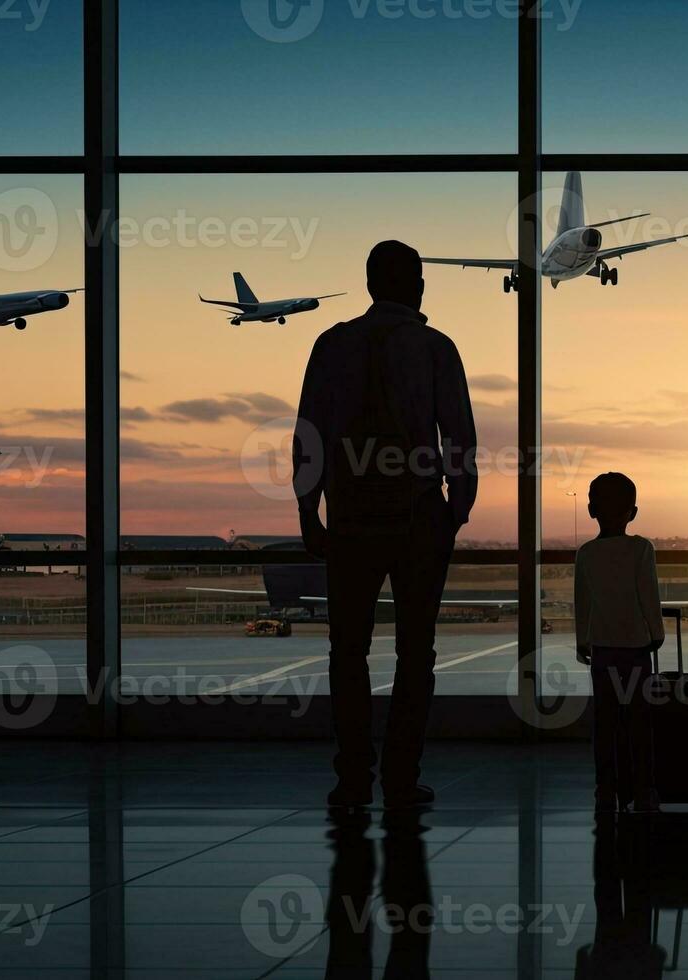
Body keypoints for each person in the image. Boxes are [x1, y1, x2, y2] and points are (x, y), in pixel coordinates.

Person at [293, 240, 477, 810]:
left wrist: (308, 509)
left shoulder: (330, 345)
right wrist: (456, 510)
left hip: (349, 517)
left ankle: (352, 777)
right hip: (418, 515)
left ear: (370, 283)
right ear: (418, 285)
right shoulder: (436, 348)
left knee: (346, 651)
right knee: (415, 653)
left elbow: (309, 435)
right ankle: (401, 776)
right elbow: (460, 439)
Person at [573, 471, 665, 814]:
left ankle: (605, 788)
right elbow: (648, 596)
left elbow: (582, 602)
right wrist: (657, 633)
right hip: (637, 649)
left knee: (606, 722)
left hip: (602, 649)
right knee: (640, 723)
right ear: (634, 511)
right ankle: (643, 789)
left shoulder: (586, 554)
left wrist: (583, 640)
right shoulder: (641, 549)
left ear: (591, 510)